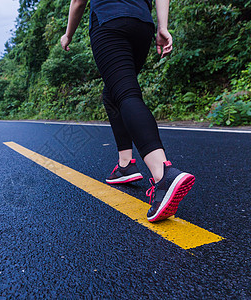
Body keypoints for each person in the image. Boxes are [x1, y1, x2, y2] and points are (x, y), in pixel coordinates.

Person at [61, 0, 195, 222]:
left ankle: (164, 175)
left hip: (109, 21)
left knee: (125, 94)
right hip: (142, 25)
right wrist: (163, 26)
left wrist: (68, 35)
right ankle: (125, 165)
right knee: (112, 94)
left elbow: (78, 1)